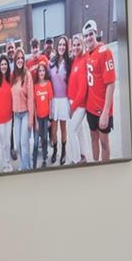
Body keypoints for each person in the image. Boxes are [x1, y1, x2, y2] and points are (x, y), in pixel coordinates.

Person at [83, 21, 118, 163]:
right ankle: (96, 165)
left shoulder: (105, 52)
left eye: (91, 34)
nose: (88, 38)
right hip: (90, 108)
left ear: (96, 33)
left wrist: (105, 113)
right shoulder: (87, 54)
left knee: (104, 143)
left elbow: (111, 84)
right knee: (93, 138)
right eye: (86, 36)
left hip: (102, 110)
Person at [64, 32, 91, 162]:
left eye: (78, 44)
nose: (75, 47)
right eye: (74, 45)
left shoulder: (83, 61)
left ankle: (75, 160)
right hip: (73, 102)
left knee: (71, 131)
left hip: (79, 105)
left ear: (83, 44)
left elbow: (83, 90)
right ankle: (84, 154)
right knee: (79, 130)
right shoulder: (76, 60)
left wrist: (72, 107)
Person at [47, 36, 72, 167]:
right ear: (57, 47)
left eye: (64, 45)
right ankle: (55, 150)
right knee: (53, 129)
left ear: (66, 47)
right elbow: (45, 79)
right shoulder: (51, 62)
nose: (62, 47)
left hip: (64, 100)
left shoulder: (70, 62)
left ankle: (63, 152)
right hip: (54, 100)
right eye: (60, 45)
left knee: (63, 128)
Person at [0, 56, 16, 172]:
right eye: (2, 64)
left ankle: (7, 162)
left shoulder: (11, 78)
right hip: (0, 118)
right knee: (3, 143)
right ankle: (5, 164)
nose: (4, 66)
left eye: (5, 64)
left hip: (9, 117)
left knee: (8, 142)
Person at [8, 57, 31, 173]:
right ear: (15, 60)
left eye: (22, 58)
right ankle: (23, 163)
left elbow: (31, 98)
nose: (20, 60)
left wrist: (31, 119)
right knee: (17, 143)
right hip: (16, 115)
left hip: (26, 113)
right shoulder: (13, 76)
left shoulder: (27, 75)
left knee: (24, 142)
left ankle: (27, 167)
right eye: (18, 58)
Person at [30, 61, 55, 169]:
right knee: (36, 142)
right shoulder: (35, 86)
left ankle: (44, 158)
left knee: (44, 139)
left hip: (46, 118)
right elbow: (34, 105)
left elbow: (50, 101)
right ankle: (34, 160)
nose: (41, 72)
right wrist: (35, 120)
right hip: (38, 119)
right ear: (37, 72)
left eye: (43, 70)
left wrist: (50, 118)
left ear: (45, 72)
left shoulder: (48, 84)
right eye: (39, 70)